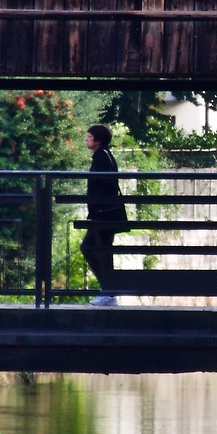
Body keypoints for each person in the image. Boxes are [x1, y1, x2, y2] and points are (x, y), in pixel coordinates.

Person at [83, 123, 126, 306]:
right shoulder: (101, 156)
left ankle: (109, 292)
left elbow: (106, 186)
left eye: (89, 137)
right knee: (92, 248)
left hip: (103, 215)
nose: (86, 139)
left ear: (98, 140)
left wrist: (95, 203)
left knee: (100, 250)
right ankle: (108, 289)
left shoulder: (102, 157)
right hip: (101, 214)